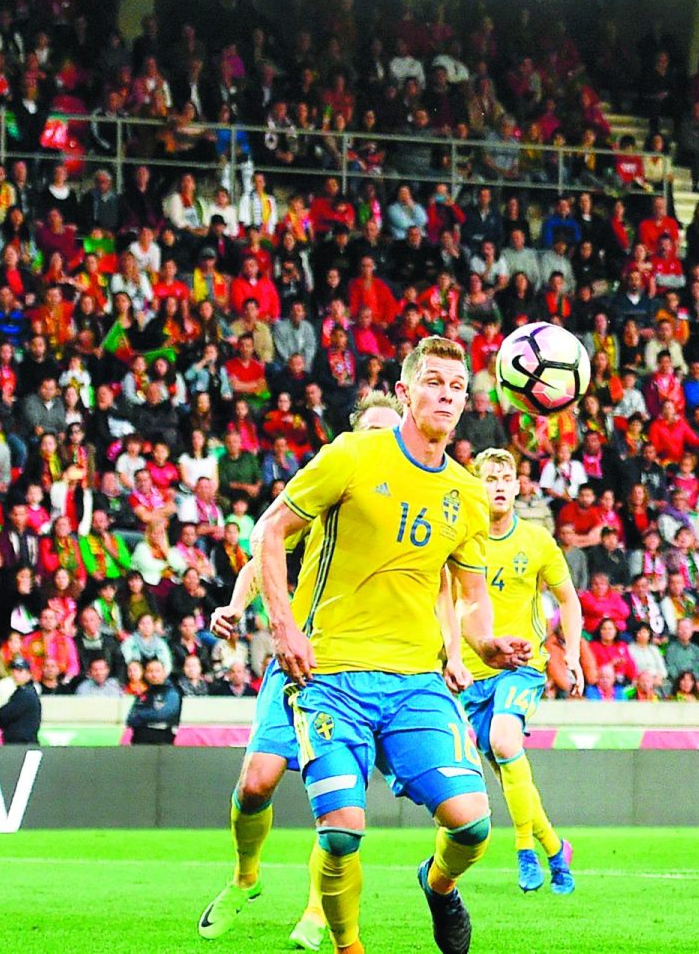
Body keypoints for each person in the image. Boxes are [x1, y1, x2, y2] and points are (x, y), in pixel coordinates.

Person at [257, 337, 531, 953]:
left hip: (416, 683)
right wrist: (283, 625)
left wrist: (484, 643)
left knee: (473, 825)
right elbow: (270, 529)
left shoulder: (466, 492)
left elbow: (470, 591)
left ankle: (438, 886)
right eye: (434, 382)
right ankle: (350, 947)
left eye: (457, 386)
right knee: (341, 833)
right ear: (405, 392)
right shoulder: (353, 455)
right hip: (330, 675)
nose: (447, 395)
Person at [198, 392, 402, 949]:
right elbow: (263, 550)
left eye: (393, 433)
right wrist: (238, 608)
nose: (384, 444)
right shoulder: (330, 496)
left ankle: (317, 909)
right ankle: (245, 878)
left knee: (336, 807)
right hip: (298, 664)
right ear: (353, 437)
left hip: (362, 676)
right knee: (256, 782)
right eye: (374, 433)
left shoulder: (407, 516)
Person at [453, 448, 582, 895]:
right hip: (473, 672)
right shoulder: (460, 540)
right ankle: (555, 848)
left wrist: (575, 654)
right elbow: (447, 605)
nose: (501, 486)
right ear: (476, 486)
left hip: (523, 665)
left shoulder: (537, 540)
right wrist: (451, 656)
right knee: (509, 769)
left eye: (507, 478)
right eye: (490, 479)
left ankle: (524, 849)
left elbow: (568, 599)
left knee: (504, 741)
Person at [127, 656, 183, 744]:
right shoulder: (144, 693)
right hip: (139, 740)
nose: (153, 675)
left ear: (164, 673)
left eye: (157, 671)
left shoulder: (172, 693)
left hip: (162, 740)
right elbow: (130, 718)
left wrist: (141, 715)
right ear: (145, 674)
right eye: (150, 671)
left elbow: (162, 714)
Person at [0, 657, 41, 744]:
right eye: (13, 671)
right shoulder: (21, 692)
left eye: (19, 671)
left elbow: (4, 714)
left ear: (29, 674)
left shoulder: (26, 694)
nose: (15, 674)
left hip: (23, 745)